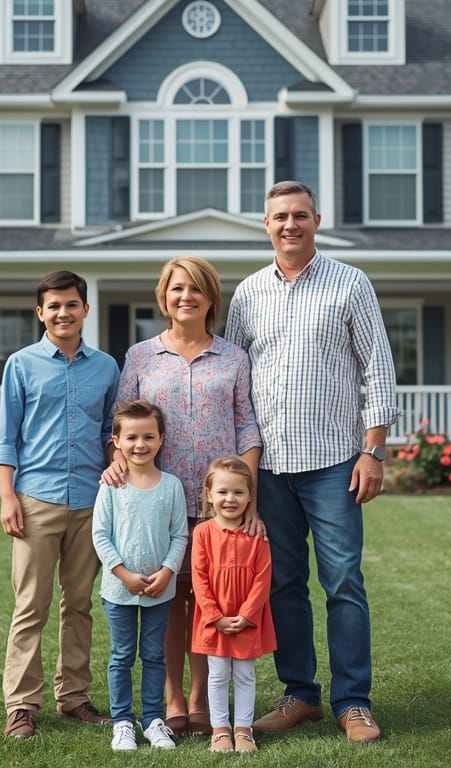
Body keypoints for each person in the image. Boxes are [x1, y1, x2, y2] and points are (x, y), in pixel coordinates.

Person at [223, 180, 399, 744]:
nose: (290, 224)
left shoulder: (350, 284)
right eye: (280, 216)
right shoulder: (248, 294)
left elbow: (378, 369)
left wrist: (372, 450)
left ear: (317, 220)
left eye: (300, 215)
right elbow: (235, 380)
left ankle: (354, 703)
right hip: (269, 467)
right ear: (266, 224)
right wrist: (240, 472)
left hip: (334, 462)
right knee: (284, 583)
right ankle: (300, 694)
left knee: (344, 580)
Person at [102, 255, 262, 737]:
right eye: (176, 289)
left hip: (219, 504)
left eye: (195, 289)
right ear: (163, 296)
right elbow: (120, 420)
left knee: (208, 598)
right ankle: (171, 698)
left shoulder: (233, 357)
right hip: (159, 501)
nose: (185, 297)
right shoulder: (141, 356)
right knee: (168, 599)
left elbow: (247, 427)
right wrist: (116, 464)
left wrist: (247, 499)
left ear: (211, 297)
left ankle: (200, 700)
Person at [0, 269, 121, 739]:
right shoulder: (21, 365)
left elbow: (112, 430)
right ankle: (22, 705)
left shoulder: (107, 367)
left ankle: (74, 698)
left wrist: (117, 460)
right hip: (35, 501)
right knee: (31, 605)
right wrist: (8, 497)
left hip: (91, 501)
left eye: (72, 304)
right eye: (54, 306)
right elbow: (6, 438)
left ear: (85, 309)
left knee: (80, 604)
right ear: (40, 313)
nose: (63, 313)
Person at [91, 399, 189, 751]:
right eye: (131, 437)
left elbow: (180, 535)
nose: (140, 444)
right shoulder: (111, 487)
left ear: (161, 439)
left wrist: (167, 572)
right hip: (119, 590)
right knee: (121, 655)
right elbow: (100, 535)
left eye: (148, 436)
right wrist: (122, 574)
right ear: (116, 441)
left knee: (154, 654)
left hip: (160, 590)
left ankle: (152, 720)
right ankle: (122, 722)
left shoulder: (172, 486)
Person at [191, 457, 275, 754]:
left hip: (245, 620)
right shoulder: (202, 533)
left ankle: (243, 729)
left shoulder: (257, 535)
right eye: (223, 492)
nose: (230, 499)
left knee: (244, 674)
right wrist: (214, 616)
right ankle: (220, 729)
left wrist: (247, 615)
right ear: (208, 495)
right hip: (214, 621)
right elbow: (199, 578)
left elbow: (263, 579)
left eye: (238, 492)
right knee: (216, 674)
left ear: (250, 496)